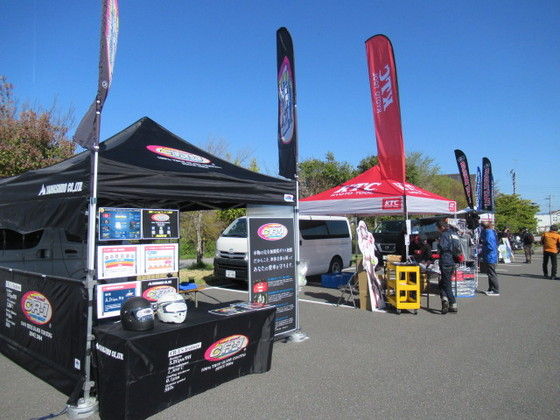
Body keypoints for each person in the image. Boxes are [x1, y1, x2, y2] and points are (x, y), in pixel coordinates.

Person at [435, 220, 463, 314]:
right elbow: (458, 247)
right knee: (443, 282)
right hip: (453, 260)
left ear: (441, 227)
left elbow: (443, 247)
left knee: (446, 284)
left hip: (446, 260)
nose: (438, 230)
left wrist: (438, 245)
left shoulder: (444, 235)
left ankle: (452, 302)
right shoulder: (454, 234)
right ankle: (444, 300)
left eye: (438, 228)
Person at [479, 222, 499, 296]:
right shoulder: (491, 232)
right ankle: (491, 289)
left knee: (492, 273)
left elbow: (490, 246)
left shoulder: (489, 233)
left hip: (490, 256)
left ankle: (495, 290)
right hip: (490, 256)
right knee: (490, 273)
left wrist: (482, 250)